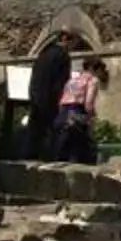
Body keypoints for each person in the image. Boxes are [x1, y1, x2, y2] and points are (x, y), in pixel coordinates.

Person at [25, 30, 72, 162]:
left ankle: (30, 156)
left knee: (34, 130)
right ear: (65, 39)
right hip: (50, 99)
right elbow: (62, 81)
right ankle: (49, 157)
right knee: (52, 131)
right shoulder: (63, 56)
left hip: (36, 96)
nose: (72, 47)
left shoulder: (43, 54)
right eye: (72, 42)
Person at [53, 55, 105, 165]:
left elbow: (62, 98)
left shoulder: (72, 80)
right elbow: (88, 103)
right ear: (93, 68)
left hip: (62, 115)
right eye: (100, 70)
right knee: (82, 153)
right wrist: (92, 118)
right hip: (76, 115)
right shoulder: (92, 80)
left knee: (63, 153)